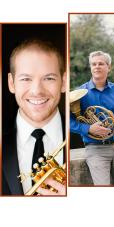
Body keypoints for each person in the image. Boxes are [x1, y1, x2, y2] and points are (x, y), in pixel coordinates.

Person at [2, 39, 66, 195]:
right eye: (26, 79)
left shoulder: (91, 140)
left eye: (49, 78)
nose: (37, 91)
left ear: (64, 82)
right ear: (11, 83)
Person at [70, 50, 114, 186]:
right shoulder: (80, 93)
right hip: (95, 149)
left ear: (108, 67)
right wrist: (88, 128)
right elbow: (68, 122)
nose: (97, 66)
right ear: (90, 67)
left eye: (101, 63)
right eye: (93, 64)